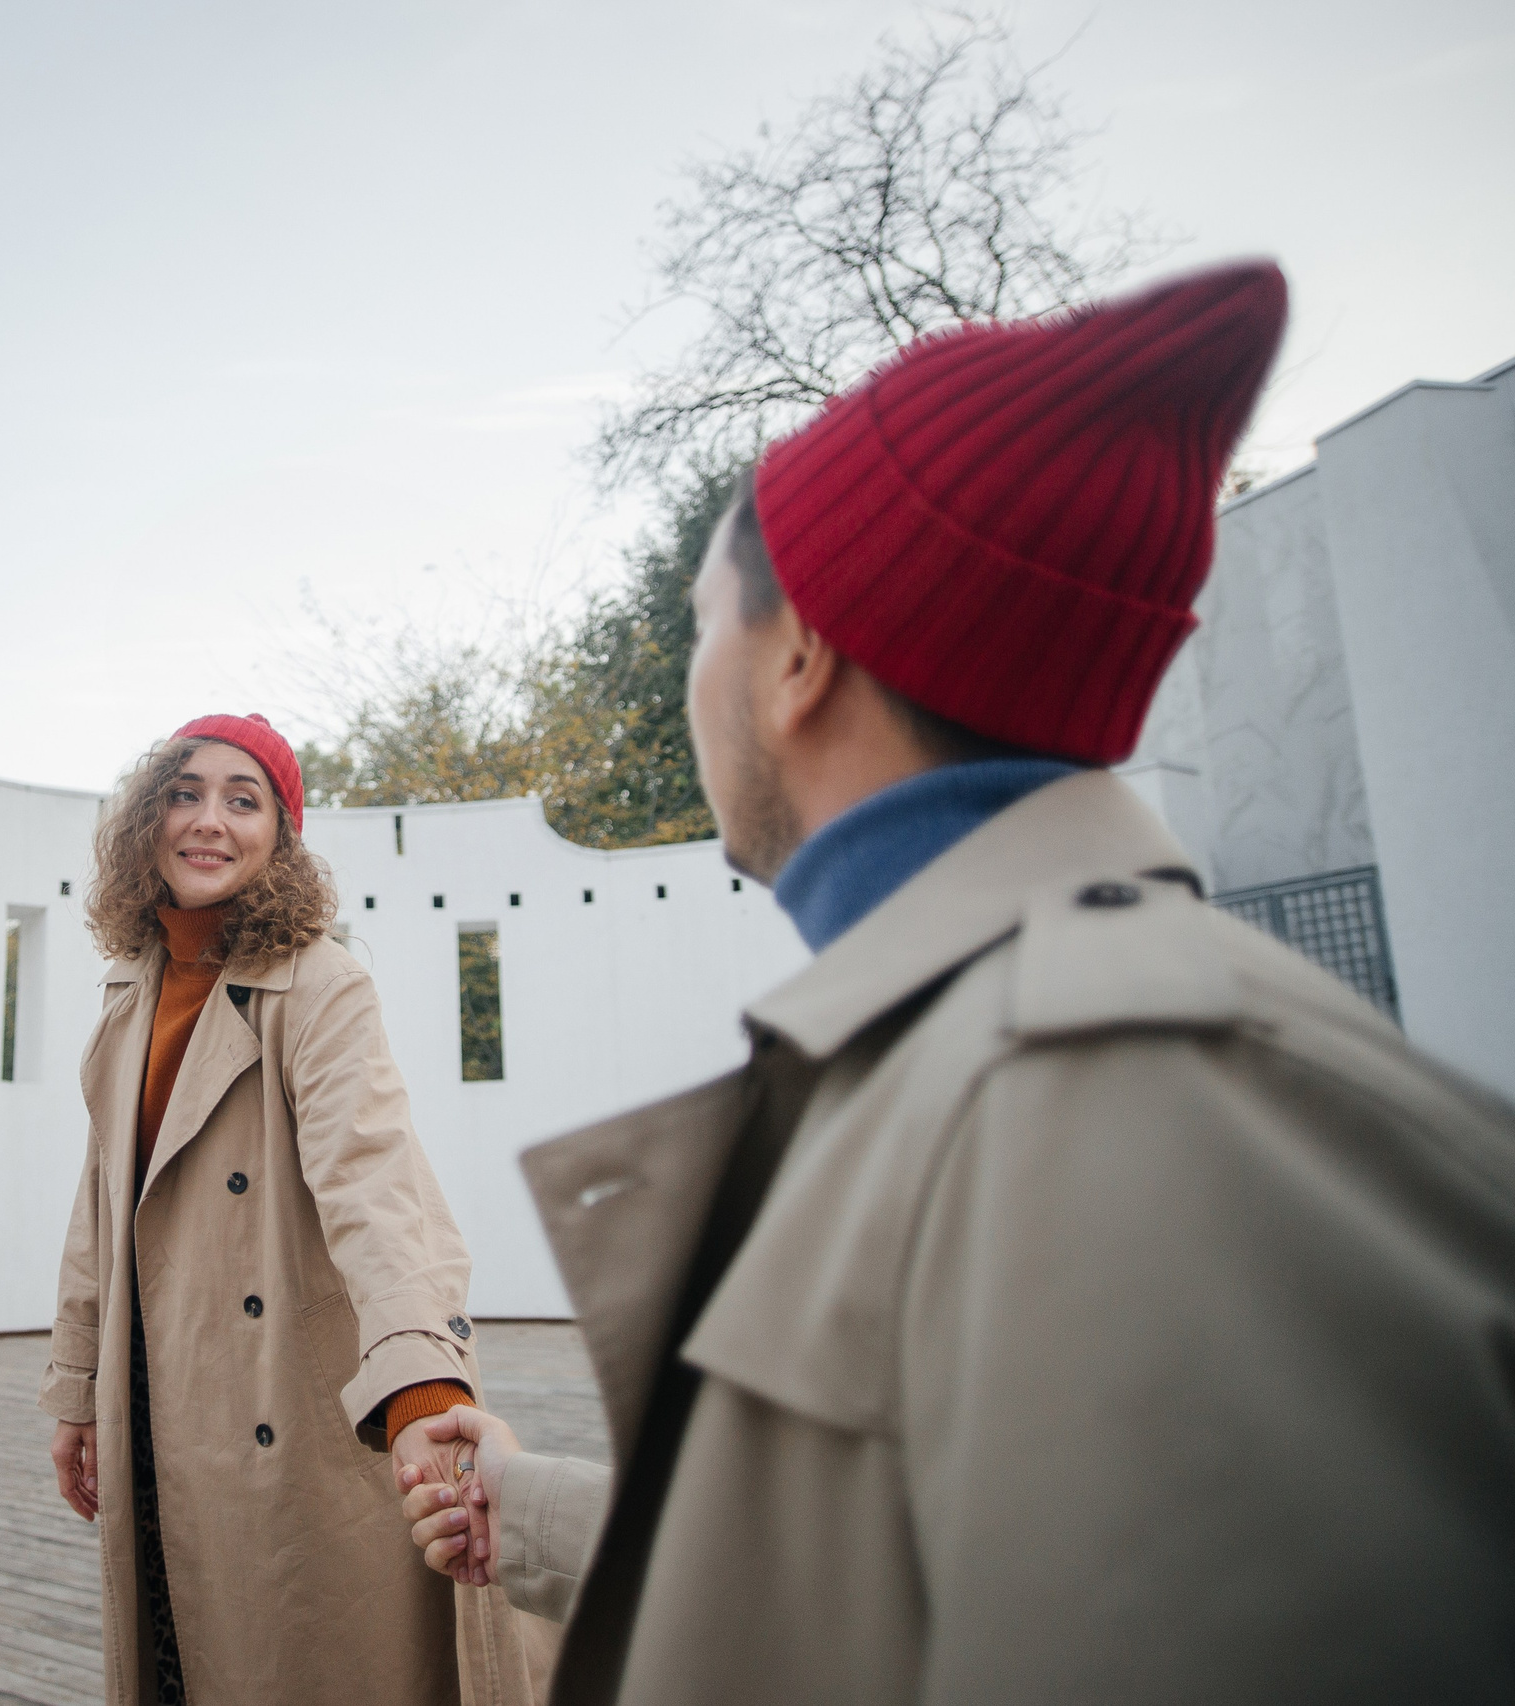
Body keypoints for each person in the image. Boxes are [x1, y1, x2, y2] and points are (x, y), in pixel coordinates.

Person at [396, 259, 1515, 1704]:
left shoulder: (1132, 1107)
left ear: (798, 657)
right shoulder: (1004, 1054)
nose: (686, 680)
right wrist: (536, 1505)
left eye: (697, 628)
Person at [41, 713, 535, 1706]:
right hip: (152, 1396)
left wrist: (422, 1387)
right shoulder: (127, 990)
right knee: (178, 1656)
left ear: (279, 836)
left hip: (271, 1408)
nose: (208, 819)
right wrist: (75, 1387)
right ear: (146, 820)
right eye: (183, 791)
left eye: (242, 797)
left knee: (278, 1658)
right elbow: (101, 1210)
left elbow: (376, 1182)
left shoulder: (320, 981)